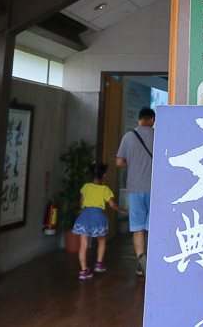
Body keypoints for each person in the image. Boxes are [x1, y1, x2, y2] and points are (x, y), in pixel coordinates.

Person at [116, 107, 155, 276]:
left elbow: (119, 162)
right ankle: (153, 261)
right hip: (155, 189)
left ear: (139, 120)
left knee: (137, 227)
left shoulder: (128, 137)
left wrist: (131, 165)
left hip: (135, 188)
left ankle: (141, 259)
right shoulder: (158, 136)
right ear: (153, 120)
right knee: (153, 227)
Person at [72, 161, 127, 280]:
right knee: (101, 240)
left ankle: (84, 270)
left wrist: (81, 209)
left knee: (83, 245)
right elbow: (112, 205)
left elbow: (81, 200)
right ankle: (99, 263)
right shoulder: (105, 190)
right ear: (104, 175)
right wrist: (122, 210)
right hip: (97, 217)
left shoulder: (86, 187)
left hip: (85, 216)